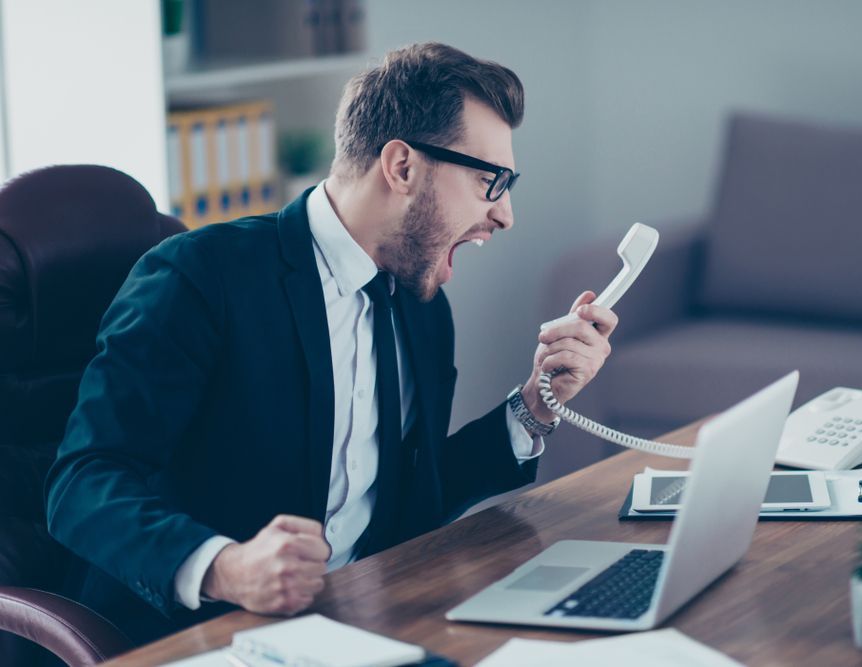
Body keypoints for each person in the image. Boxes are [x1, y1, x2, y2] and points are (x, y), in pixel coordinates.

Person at [45, 42, 617, 645]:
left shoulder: (421, 306)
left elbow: (410, 499)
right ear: (401, 167)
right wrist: (225, 566)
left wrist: (535, 401)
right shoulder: (202, 277)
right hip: (201, 636)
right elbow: (82, 482)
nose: (505, 216)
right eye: (489, 181)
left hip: (362, 620)